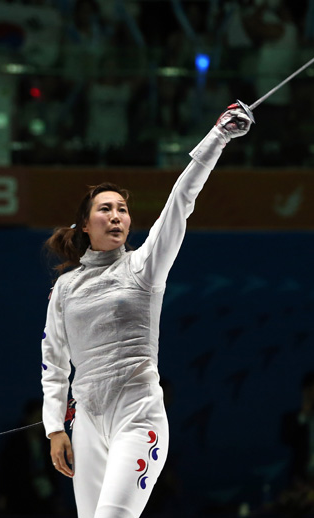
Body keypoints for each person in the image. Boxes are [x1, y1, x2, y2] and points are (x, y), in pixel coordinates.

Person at [40, 104, 252, 518]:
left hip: (138, 419)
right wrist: (53, 428)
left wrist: (219, 136)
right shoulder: (65, 288)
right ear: (85, 224)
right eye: (105, 209)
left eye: (122, 209)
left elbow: (181, 200)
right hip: (85, 426)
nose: (116, 216)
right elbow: (54, 364)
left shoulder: (143, 266)